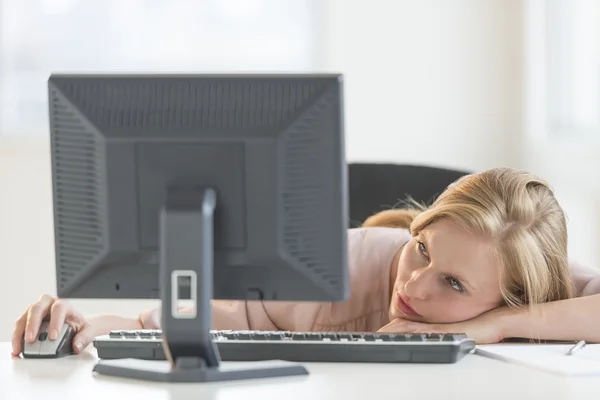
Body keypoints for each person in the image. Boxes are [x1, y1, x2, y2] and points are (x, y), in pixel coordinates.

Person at [11, 167, 600, 357]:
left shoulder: (531, 289)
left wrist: (493, 327)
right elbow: (183, 321)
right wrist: (85, 325)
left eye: (451, 282)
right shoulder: (338, 266)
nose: (414, 285)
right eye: (421, 248)